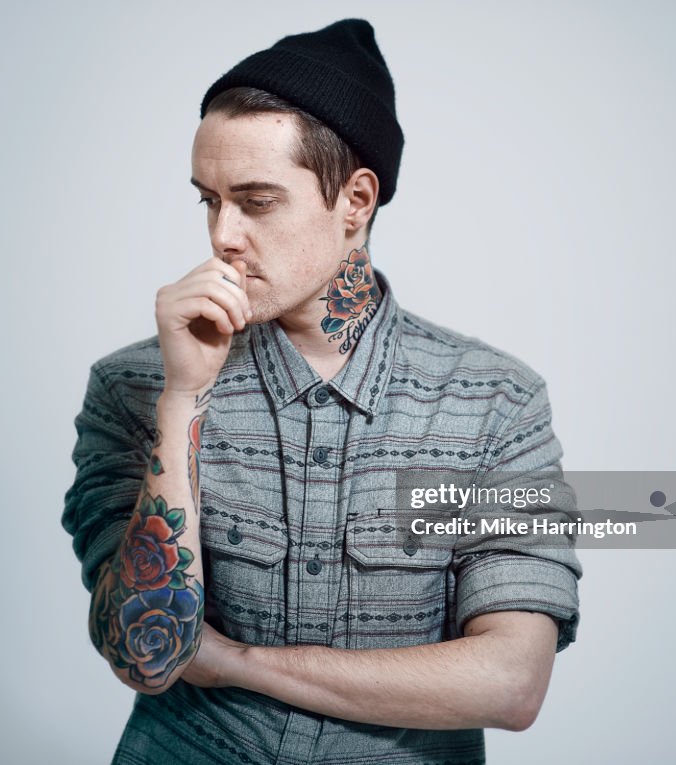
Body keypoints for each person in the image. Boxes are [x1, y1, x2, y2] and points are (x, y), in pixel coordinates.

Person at [63, 18, 582, 765]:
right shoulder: (134, 385)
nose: (222, 235)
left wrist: (237, 662)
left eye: (257, 201)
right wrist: (182, 402)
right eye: (208, 200)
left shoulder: (495, 402)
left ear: (356, 200)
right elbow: (145, 656)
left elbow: (510, 681)